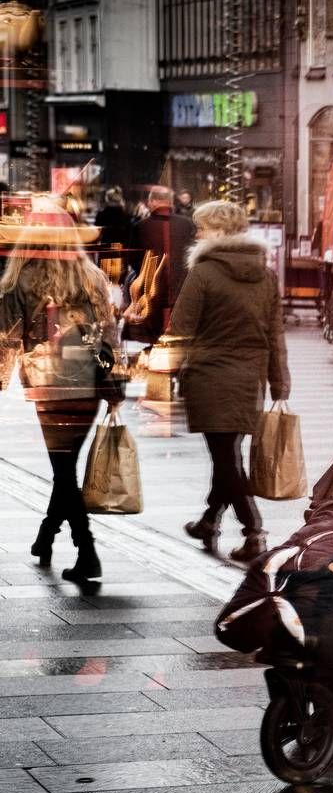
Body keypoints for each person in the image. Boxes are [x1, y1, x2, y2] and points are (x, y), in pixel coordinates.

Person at [0, 203, 117, 588]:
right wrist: (114, 375)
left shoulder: (20, 280)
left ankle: (87, 552)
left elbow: (8, 335)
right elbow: (108, 333)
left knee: (63, 469)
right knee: (65, 466)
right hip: (88, 382)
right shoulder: (92, 277)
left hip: (47, 383)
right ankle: (47, 535)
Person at [170, 200, 291, 564]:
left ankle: (254, 531)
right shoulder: (265, 275)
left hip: (209, 376)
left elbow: (181, 329)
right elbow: (275, 335)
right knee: (227, 454)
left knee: (226, 459)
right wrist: (279, 384)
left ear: (219, 231)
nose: (197, 234)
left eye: (202, 227)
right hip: (248, 379)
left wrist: (167, 369)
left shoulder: (204, 273)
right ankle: (209, 520)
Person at [128, 185, 196, 344]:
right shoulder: (187, 224)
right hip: (182, 289)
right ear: (171, 203)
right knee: (179, 338)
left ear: (152, 202)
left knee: (154, 339)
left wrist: (146, 276)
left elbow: (133, 258)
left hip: (151, 291)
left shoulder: (141, 226)